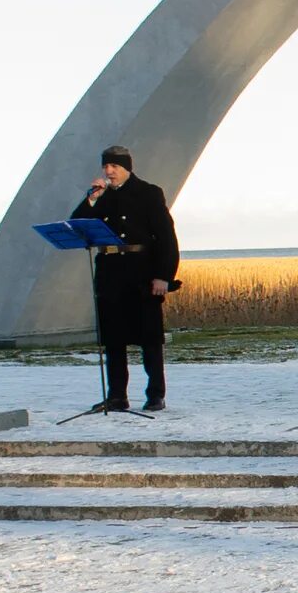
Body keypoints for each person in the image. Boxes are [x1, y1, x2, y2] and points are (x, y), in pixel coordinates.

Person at [72, 144, 180, 412]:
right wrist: (92, 200)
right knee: (113, 338)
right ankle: (117, 395)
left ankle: (155, 394)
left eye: (114, 166)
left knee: (149, 337)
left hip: (141, 273)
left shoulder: (149, 193)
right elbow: (78, 225)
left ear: (127, 168)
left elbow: (166, 238)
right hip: (110, 274)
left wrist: (163, 276)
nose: (109, 171)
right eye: (106, 166)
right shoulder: (101, 196)